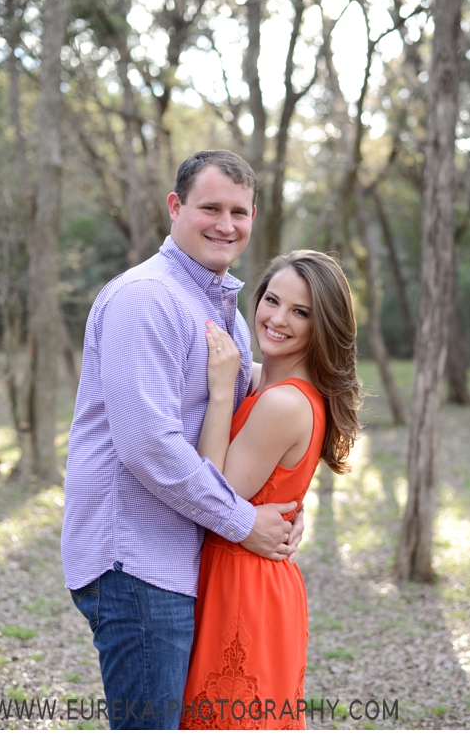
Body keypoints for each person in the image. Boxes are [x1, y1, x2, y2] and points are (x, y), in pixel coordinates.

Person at [62, 151, 305, 730]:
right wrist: (245, 523)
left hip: (184, 562)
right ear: (176, 208)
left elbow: (246, 418)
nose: (226, 224)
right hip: (136, 561)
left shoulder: (223, 309)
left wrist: (282, 508)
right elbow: (151, 447)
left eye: (239, 211)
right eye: (210, 208)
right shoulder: (145, 298)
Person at [180, 250, 361, 729]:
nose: (278, 319)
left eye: (300, 312)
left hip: (244, 587)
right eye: (272, 300)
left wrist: (221, 392)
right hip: (254, 576)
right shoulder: (273, 383)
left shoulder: (283, 403)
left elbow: (212, 492)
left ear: (323, 325)